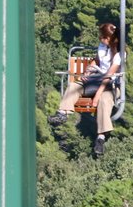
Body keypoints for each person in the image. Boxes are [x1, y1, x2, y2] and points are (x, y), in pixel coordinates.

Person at [49, 23, 122, 156]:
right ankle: (63, 113)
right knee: (73, 86)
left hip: (110, 84)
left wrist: (96, 97)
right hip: (96, 79)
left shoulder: (119, 54)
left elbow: (109, 75)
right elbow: (97, 61)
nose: (99, 38)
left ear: (108, 38)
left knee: (104, 101)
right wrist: (88, 70)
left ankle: (100, 138)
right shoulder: (102, 47)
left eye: (102, 36)